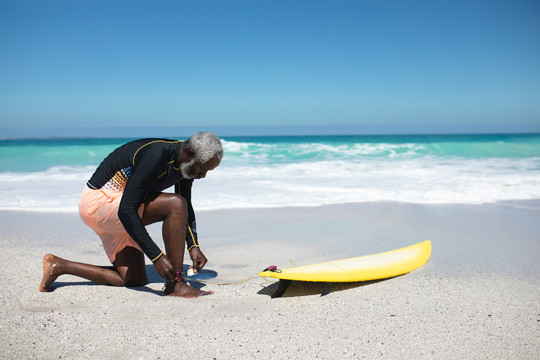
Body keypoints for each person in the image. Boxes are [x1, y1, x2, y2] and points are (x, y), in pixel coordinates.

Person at [39, 132, 223, 298]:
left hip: (121, 208)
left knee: (133, 278)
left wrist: (193, 245)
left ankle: (59, 266)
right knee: (174, 204)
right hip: (99, 204)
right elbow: (127, 210)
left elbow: (186, 204)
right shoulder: (156, 155)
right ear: (190, 155)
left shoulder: (184, 164)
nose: (202, 175)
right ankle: (176, 285)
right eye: (202, 168)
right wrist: (157, 257)